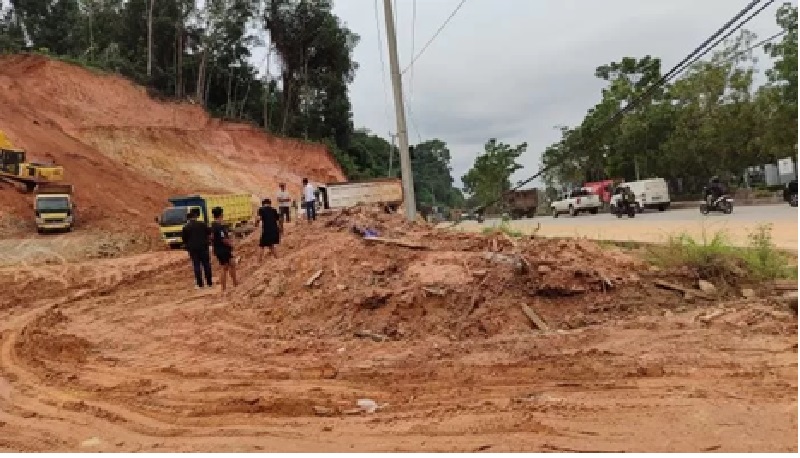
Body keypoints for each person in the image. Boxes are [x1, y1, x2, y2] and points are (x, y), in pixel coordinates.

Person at [181, 208, 213, 289]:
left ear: (188, 218)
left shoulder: (186, 227)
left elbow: (184, 240)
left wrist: (187, 246)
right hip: (203, 247)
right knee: (206, 264)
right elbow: (209, 234)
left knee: (196, 265)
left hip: (193, 249)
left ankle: (200, 284)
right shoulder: (202, 224)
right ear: (196, 217)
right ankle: (209, 283)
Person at [210, 206, 237, 293]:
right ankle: (232, 284)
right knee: (228, 266)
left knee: (227, 265)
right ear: (221, 214)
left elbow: (211, 237)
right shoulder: (219, 226)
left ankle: (226, 287)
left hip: (218, 249)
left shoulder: (212, 225)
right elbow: (223, 239)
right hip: (224, 249)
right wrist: (231, 244)